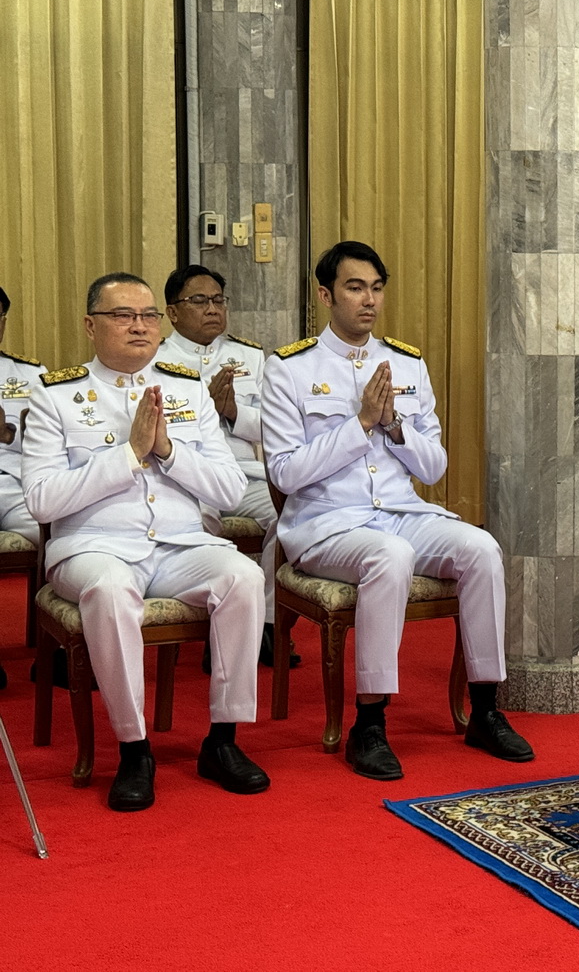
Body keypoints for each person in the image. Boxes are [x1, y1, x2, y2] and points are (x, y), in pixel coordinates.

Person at [261, 241, 534, 780]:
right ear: (325, 294)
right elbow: (286, 474)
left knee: (482, 548)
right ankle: (371, 721)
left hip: (401, 510)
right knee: (389, 555)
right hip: (325, 522)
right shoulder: (289, 369)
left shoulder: (406, 363)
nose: (369, 300)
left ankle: (485, 709)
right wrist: (359, 424)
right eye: (355, 287)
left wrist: (394, 426)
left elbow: (433, 468)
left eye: (377, 288)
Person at [22, 272, 269, 811]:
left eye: (149, 315)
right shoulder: (56, 397)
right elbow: (41, 500)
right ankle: (135, 750)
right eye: (122, 315)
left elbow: (228, 490)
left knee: (245, 578)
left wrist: (169, 452)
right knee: (110, 592)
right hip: (93, 548)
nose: (140, 325)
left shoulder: (186, 390)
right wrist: (129, 455)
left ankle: (223, 741)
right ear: (91, 326)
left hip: (180, 545)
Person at [160, 265, 295, 668]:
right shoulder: (155, 360)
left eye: (219, 300)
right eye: (199, 301)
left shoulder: (251, 357)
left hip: (244, 473)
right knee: (195, 528)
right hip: (186, 478)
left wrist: (234, 411)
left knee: (286, 516)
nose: (212, 309)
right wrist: (202, 405)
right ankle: (215, 629)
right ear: (172, 312)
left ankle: (266, 627)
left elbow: (276, 423)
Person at [0, 285, 46, 691]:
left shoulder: (29, 374)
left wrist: (11, 432)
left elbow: (51, 441)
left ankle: (56, 652)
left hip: (16, 483)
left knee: (53, 534)